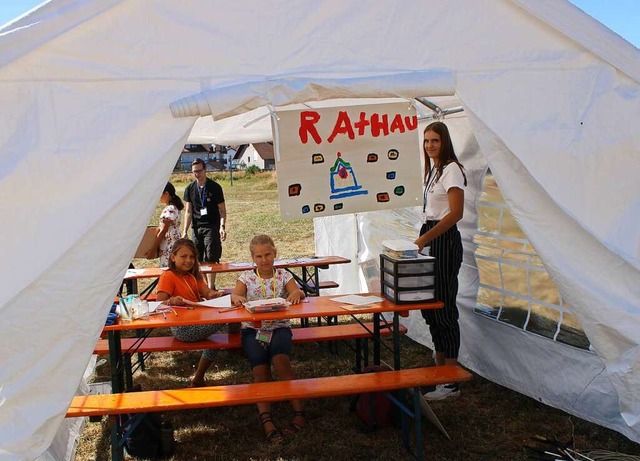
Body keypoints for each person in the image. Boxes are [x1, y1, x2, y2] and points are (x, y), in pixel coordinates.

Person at [230, 235, 306, 443]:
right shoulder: (245, 278)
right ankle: (267, 420)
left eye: (268, 255)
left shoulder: (283, 275)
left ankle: (298, 412)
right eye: (259, 256)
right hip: (253, 330)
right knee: (260, 370)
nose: (264, 260)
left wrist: (296, 294)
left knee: (282, 362)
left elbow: (296, 291)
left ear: (275, 253)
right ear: (253, 258)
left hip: (280, 327)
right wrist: (237, 298)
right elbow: (235, 296)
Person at [414, 121, 466, 401]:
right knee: (430, 306)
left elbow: (455, 214)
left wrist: (426, 239)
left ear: (444, 142)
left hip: (443, 240)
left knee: (444, 307)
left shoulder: (452, 170)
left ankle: (450, 381)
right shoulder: (434, 171)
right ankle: (440, 370)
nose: (430, 145)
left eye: (435, 140)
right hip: (430, 235)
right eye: (426, 141)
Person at [155, 238, 224, 387]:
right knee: (227, 317)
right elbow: (158, 303)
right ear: (173, 257)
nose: (188, 260)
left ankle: (198, 378)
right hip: (183, 328)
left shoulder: (194, 275)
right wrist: (172, 301)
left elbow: (207, 292)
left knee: (218, 339)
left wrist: (216, 295)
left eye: (192, 257)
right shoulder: (168, 276)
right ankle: (238, 346)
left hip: (198, 321)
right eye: (184, 256)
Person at [182, 158, 227, 289]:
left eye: (199, 171)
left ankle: (211, 287)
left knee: (211, 257)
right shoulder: (189, 189)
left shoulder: (215, 187)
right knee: (197, 258)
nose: (197, 174)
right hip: (196, 228)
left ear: (205, 170)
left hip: (212, 226)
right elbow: (188, 211)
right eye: (194, 172)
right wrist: (185, 230)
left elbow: (222, 210)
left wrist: (222, 226)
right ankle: (202, 287)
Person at [145, 182, 184, 267]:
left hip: (168, 246)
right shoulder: (176, 208)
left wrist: (153, 249)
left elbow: (163, 231)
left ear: (166, 193)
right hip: (175, 242)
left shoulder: (169, 209)